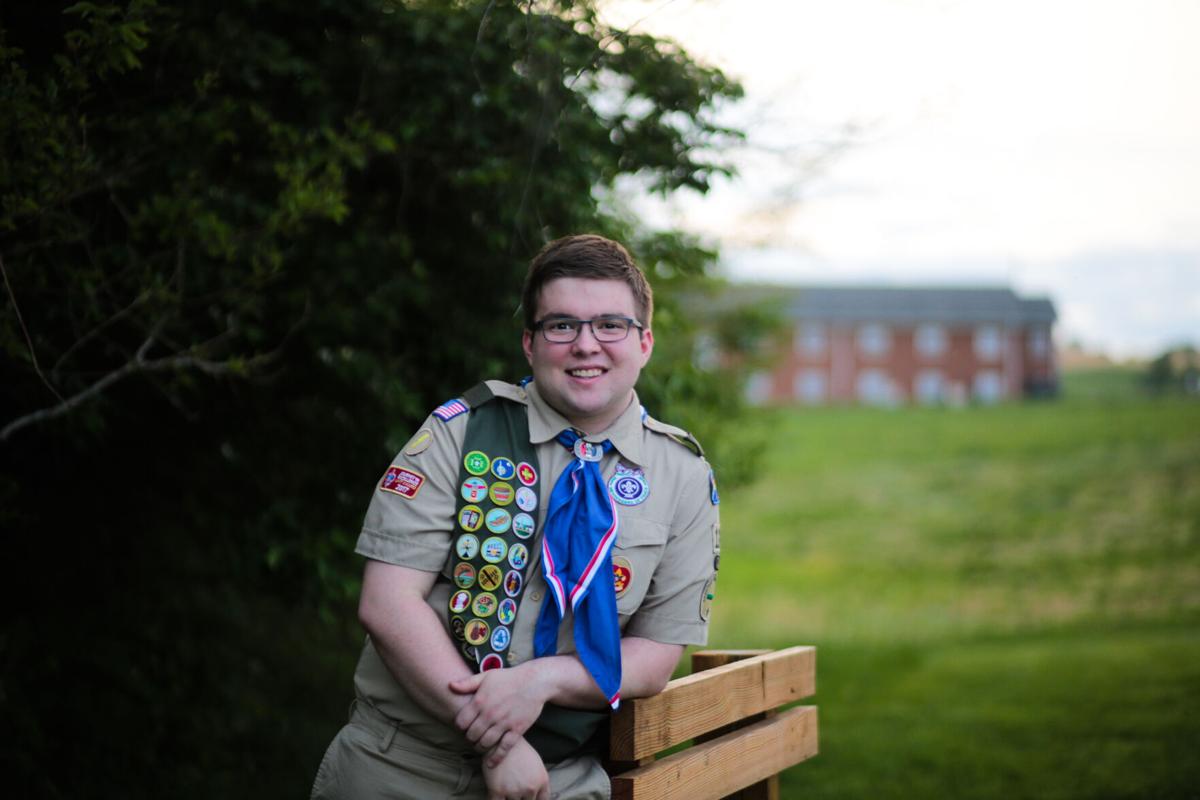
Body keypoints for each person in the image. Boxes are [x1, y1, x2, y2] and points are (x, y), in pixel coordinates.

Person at [311, 234, 720, 800]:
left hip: (562, 781)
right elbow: (387, 604)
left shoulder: (683, 475)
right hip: (403, 769)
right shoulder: (461, 433)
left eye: (610, 325)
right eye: (561, 325)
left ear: (644, 342)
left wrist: (540, 679)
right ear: (530, 343)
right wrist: (499, 743)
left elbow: (653, 657)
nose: (586, 345)